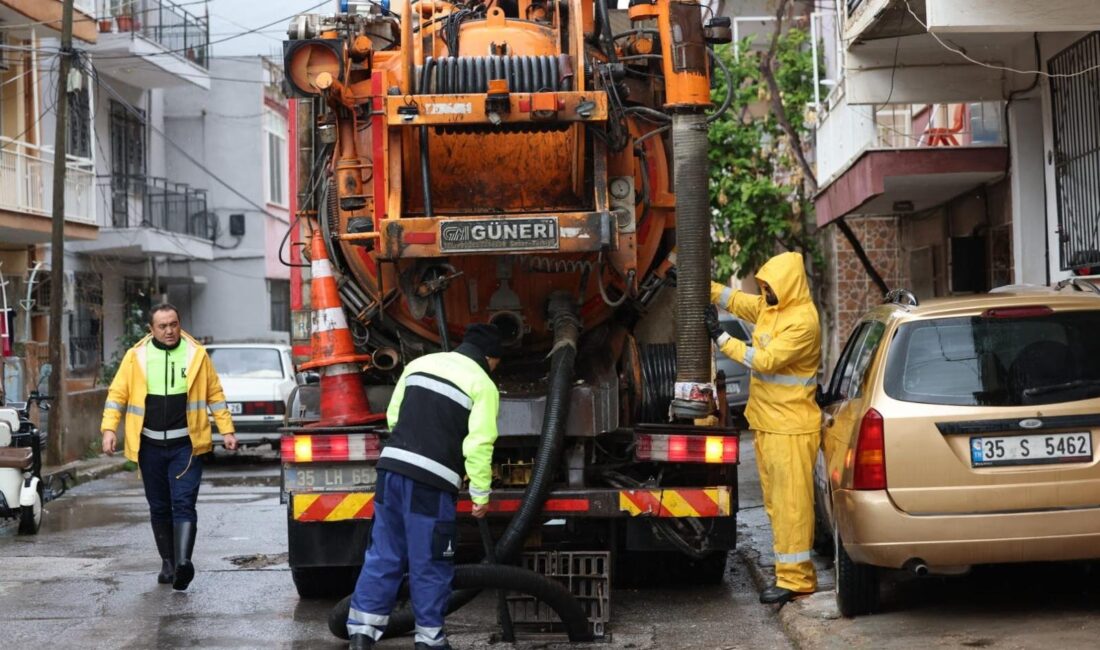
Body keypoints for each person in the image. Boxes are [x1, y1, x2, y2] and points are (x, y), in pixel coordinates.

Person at [347, 323, 503, 650]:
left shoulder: (419, 365)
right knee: (429, 559)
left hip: (390, 470)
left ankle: (361, 634)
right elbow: (479, 444)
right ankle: (430, 640)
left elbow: (394, 416)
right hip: (431, 483)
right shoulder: (483, 384)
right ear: (491, 359)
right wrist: (480, 494)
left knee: (383, 552)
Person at [705, 252, 822, 605]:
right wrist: (700, 286)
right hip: (769, 423)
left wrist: (721, 337)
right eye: (764, 287)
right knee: (777, 505)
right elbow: (737, 300)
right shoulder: (773, 309)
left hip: (791, 428)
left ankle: (798, 580)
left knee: (792, 507)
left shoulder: (803, 322)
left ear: (788, 285)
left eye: (771, 287)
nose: (765, 293)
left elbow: (766, 360)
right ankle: (786, 573)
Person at [100, 303, 237, 591]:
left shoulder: (195, 354)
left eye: (173, 324)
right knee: (159, 506)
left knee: (184, 502)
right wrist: (109, 429)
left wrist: (227, 430)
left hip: (186, 445)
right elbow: (117, 394)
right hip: (148, 445)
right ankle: (168, 563)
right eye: (162, 326)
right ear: (151, 329)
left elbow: (215, 394)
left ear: (179, 323)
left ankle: (183, 563)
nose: (169, 330)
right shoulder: (135, 356)